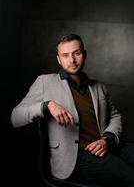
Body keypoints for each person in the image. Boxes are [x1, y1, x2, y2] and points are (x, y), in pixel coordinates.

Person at [11, 34, 134, 186]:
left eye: (77, 53)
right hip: (77, 156)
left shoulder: (99, 87)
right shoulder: (45, 82)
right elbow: (15, 118)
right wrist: (46, 105)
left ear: (84, 54)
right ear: (59, 59)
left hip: (107, 145)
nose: (72, 60)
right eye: (65, 55)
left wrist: (107, 139)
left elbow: (115, 116)